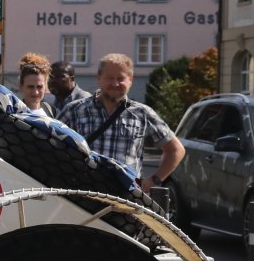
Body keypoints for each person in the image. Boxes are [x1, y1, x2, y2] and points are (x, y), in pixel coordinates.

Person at [57, 53, 185, 186]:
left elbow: (176, 150)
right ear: (99, 78)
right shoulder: (74, 110)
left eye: (120, 78)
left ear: (130, 80)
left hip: (124, 195)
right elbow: (51, 143)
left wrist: (154, 180)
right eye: (109, 78)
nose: (115, 83)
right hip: (83, 191)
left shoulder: (143, 113)